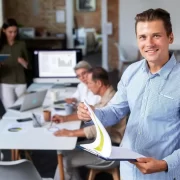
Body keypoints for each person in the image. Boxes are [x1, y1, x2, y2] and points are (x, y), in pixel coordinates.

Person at [77, 8, 180, 180]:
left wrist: (165, 164)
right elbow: (115, 111)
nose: (149, 43)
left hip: (161, 173)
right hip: (128, 170)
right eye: (142, 37)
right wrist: (93, 114)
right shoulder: (131, 72)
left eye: (156, 35)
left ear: (170, 37)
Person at [53, 67, 127, 180]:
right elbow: (89, 114)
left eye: (89, 83)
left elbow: (95, 130)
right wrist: (65, 118)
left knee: (64, 160)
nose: (87, 86)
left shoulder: (110, 101)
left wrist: (70, 133)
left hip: (111, 149)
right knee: (65, 153)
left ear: (98, 83)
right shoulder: (107, 97)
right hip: (104, 143)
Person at [0, 18, 30, 109]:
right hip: (5, 82)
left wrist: (23, 62)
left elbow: (29, 66)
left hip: (21, 82)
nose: (13, 34)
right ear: (4, 30)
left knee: (23, 108)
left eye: (15, 32)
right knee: (10, 109)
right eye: (10, 32)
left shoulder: (21, 44)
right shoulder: (1, 45)